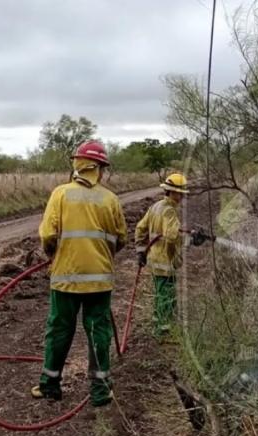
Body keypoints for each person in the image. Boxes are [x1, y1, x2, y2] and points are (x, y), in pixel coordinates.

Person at [31, 140, 128, 407]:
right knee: (99, 331)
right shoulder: (110, 199)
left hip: (65, 279)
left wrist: (54, 253)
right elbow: (121, 238)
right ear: (99, 168)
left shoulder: (61, 194)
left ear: (78, 164)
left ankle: (50, 386)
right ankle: (100, 391)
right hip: (100, 279)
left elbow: (48, 234)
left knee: (59, 330)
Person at [135, 173, 206, 336]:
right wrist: (191, 240)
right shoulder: (169, 211)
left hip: (154, 259)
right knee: (167, 296)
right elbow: (172, 235)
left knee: (160, 294)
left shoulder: (156, 206)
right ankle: (164, 331)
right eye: (180, 193)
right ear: (171, 192)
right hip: (165, 261)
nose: (181, 197)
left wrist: (141, 252)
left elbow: (140, 228)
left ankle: (157, 322)